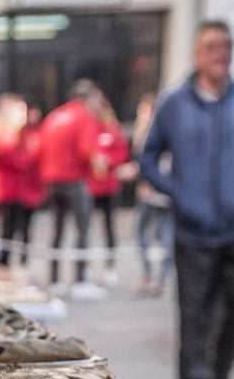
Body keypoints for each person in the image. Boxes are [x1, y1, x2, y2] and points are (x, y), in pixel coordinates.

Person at [139, 20, 234, 379]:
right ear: (197, 55)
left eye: (227, 45)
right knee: (194, 310)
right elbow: (148, 158)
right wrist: (180, 193)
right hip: (193, 230)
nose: (222, 53)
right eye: (213, 46)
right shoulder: (173, 103)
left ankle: (223, 370)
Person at [36, 79, 104, 293]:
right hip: (74, 180)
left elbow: (41, 147)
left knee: (56, 231)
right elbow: (87, 152)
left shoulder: (55, 116)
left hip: (52, 181)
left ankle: (54, 280)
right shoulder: (84, 117)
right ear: (88, 97)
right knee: (82, 229)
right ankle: (80, 281)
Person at [0, 94, 44, 267]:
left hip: (17, 189)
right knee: (9, 229)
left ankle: (12, 261)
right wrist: (34, 153)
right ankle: (5, 262)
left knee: (15, 228)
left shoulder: (16, 135)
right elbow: (16, 162)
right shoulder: (6, 136)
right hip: (10, 190)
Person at [86, 92, 130, 291]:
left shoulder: (112, 129)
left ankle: (110, 267)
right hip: (91, 183)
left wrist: (109, 161)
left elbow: (122, 153)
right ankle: (85, 266)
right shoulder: (88, 128)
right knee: (86, 225)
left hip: (109, 184)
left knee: (110, 226)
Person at [131, 93, 171, 295]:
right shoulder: (170, 128)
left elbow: (147, 161)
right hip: (164, 191)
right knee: (162, 235)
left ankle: (152, 277)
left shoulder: (151, 130)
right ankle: (158, 278)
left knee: (149, 233)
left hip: (155, 191)